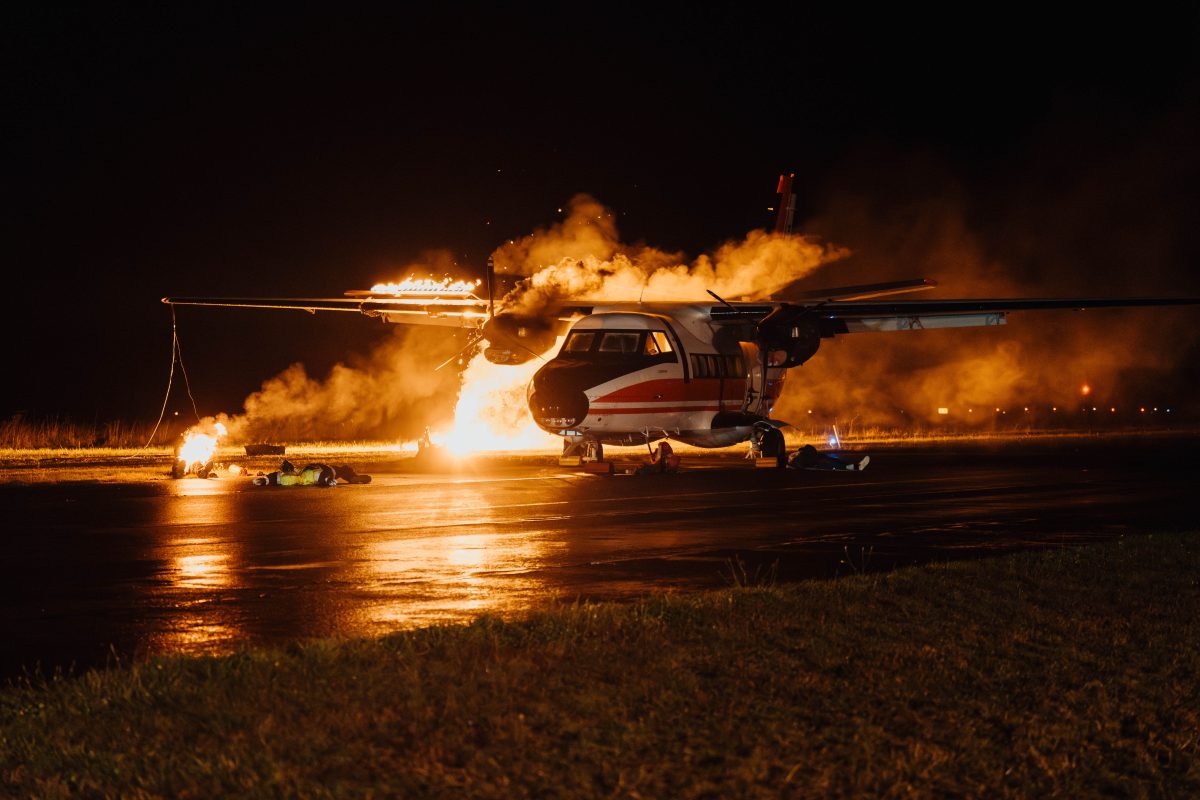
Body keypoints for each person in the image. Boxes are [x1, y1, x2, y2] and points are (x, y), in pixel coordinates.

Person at [252, 461, 371, 487]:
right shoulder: (292, 479)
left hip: (325, 470)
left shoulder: (297, 471)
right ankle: (352, 477)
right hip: (324, 474)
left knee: (342, 469)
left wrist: (265, 479)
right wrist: (264, 480)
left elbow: (276, 476)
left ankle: (352, 477)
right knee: (343, 469)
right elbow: (278, 478)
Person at [789, 444, 870, 472]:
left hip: (815, 458)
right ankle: (856, 467)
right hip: (815, 462)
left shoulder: (795, 456)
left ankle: (855, 466)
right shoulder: (795, 461)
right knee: (833, 464)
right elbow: (803, 464)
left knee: (834, 460)